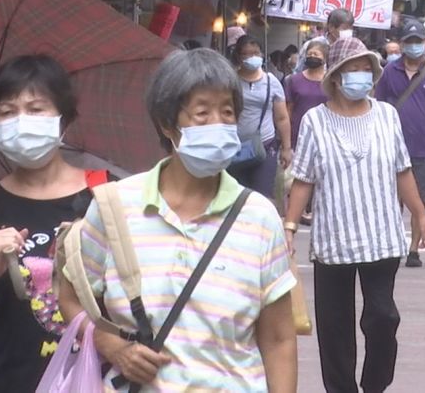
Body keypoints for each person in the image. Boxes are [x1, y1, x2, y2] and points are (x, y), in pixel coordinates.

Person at [57, 48, 298, 391]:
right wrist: (112, 346)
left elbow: (278, 339)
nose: (218, 123)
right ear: (167, 123)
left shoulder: (259, 216)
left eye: (227, 112)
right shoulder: (114, 207)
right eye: (202, 113)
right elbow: (71, 298)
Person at [0, 55, 101, 392]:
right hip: (3, 383)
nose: (21, 121)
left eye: (36, 108)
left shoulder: (105, 195)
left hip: (88, 382)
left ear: (63, 119)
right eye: (8, 111)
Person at [285, 38, 425, 393]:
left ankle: (374, 385)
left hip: (381, 236)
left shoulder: (386, 115)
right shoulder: (314, 121)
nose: (361, 75)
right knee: (335, 329)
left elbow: (402, 169)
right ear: (336, 76)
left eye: (366, 68)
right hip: (333, 239)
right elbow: (304, 178)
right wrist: (289, 226)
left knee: (383, 317)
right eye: (353, 68)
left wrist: (420, 215)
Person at [375, 18, 425, 268]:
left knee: (420, 200)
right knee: (392, 199)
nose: (414, 46)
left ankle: (413, 249)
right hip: (392, 145)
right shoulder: (389, 71)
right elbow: (379, 106)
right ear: (401, 44)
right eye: (409, 42)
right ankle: (394, 244)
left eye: (418, 41)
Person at [228, 35, 292, 204]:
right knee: (235, 197)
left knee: (260, 198)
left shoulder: (271, 82)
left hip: (264, 146)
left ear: (262, 55)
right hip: (235, 147)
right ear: (238, 57)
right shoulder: (230, 81)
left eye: (255, 53)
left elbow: (282, 117)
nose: (251, 57)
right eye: (246, 54)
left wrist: (286, 148)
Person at [285, 39, 329, 152]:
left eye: (316, 54)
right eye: (309, 54)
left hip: (325, 134)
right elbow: (289, 109)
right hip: (298, 133)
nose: (312, 56)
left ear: (325, 58)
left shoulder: (330, 80)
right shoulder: (294, 80)